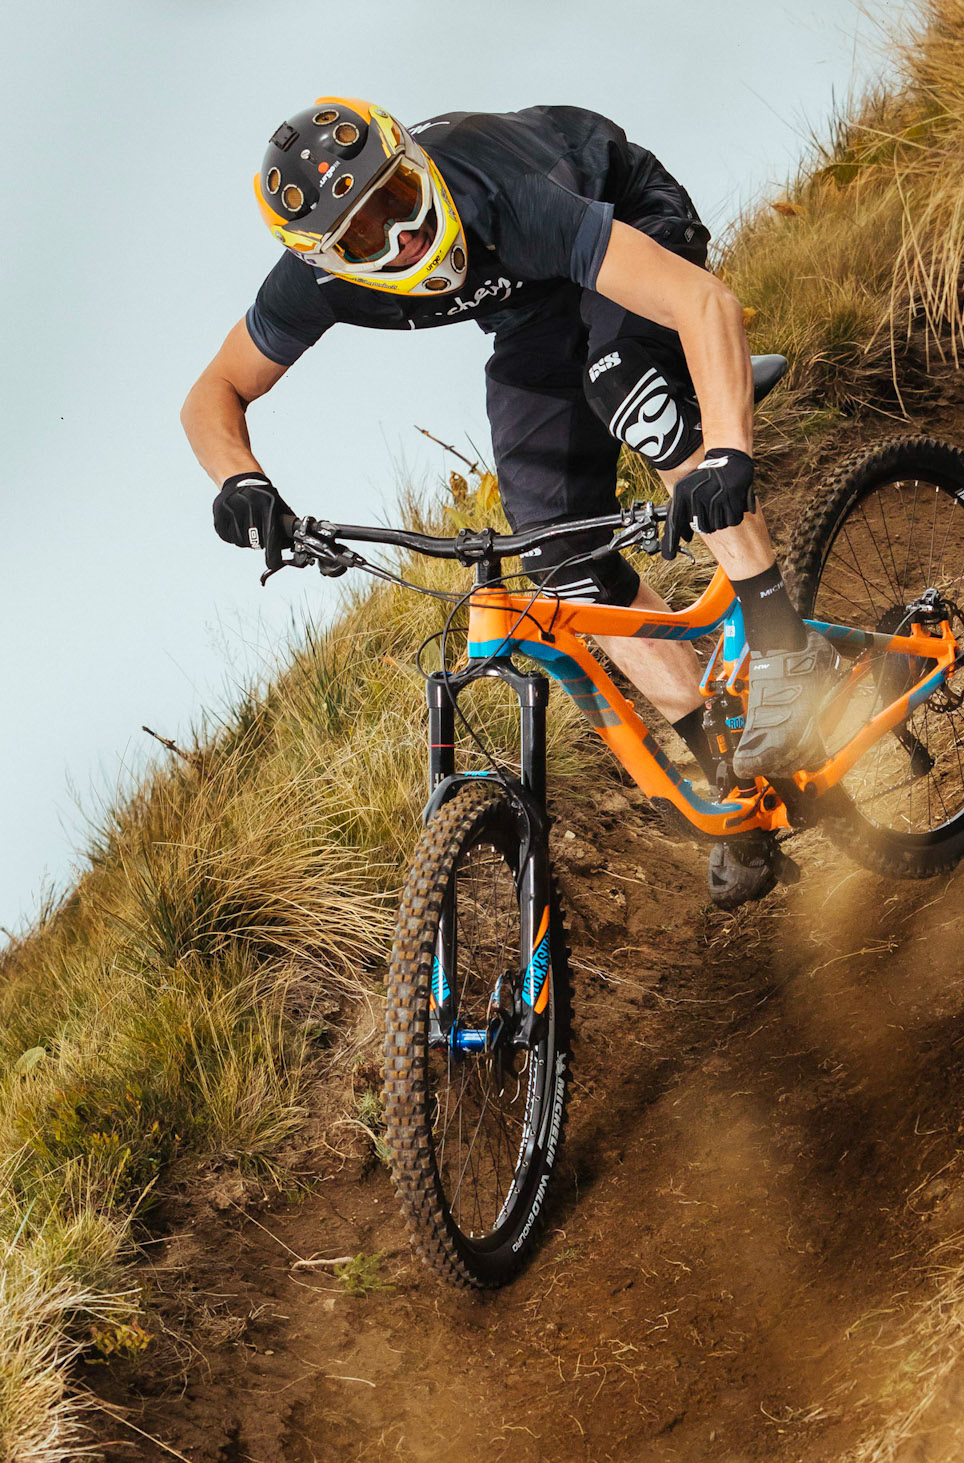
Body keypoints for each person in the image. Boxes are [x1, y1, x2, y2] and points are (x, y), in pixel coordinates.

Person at [181, 99, 836, 908]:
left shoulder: (503, 191)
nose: (400, 236)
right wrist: (240, 481)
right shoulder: (310, 283)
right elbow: (213, 391)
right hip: (531, 312)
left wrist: (728, 450)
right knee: (562, 561)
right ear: (326, 259)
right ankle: (728, 775)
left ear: (414, 163)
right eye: (362, 238)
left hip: (621, 213)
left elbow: (702, 304)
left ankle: (783, 643)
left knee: (629, 389)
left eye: (397, 197)